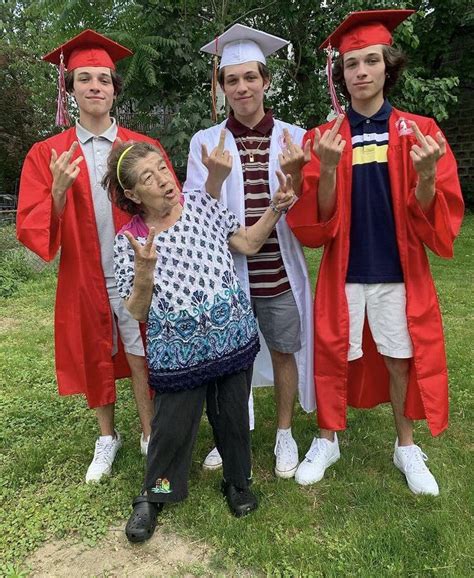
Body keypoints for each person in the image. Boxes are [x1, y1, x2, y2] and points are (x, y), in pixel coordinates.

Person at [287, 9, 464, 494]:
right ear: (340, 75)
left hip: (397, 269)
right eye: (350, 64)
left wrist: (427, 175)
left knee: (399, 357)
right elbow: (317, 225)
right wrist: (324, 169)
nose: (360, 72)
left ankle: (405, 445)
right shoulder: (323, 138)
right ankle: (328, 439)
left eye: (370, 61)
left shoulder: (420, 131)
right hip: (345, 269)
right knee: (334, 354)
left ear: (389, 66)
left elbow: (432, 219)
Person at [104, 141, 295, 542]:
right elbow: (137, 310)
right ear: (133, 195)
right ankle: (154, 496)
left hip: (232, 337)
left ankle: (237, 482)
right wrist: (144, 269)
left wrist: (276, 208)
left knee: (233, 418)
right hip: (180, 353)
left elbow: (245, 243)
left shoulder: (202, 204)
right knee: (170, 428)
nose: (162, 180)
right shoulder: (131, 241)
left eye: (162, 168)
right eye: (148, 178)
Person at [16, 30, 178, 483]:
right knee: (95, 353)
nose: (95, 87)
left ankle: (150, 432)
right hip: (85, 275)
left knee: (141, 350)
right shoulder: (48, 155)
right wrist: (58, 193)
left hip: (136, 271)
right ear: (70, 89)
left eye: (103, 80)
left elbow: (169, 203)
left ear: (113, 89)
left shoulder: (139, 148)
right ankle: (107, 436)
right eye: (84, 79)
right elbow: (32, 226)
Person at [184, 24, 314, 479]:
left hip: (278, 270)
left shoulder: (295, 137)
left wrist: (296, 178)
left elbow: (311, 209)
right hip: (225, 274)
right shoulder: (205, 142)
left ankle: (283, 433)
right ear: (221, 88)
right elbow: (196, 216)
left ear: (266, 81)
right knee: (229, 362)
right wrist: (215, 177)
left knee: (284, 352)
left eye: (250, 77)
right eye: (231, 79)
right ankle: (230, 434)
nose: (242, 87)